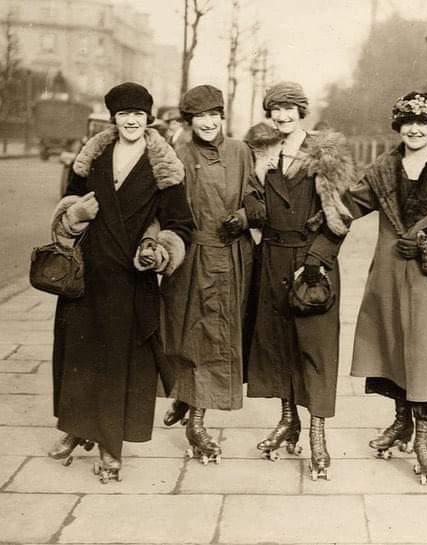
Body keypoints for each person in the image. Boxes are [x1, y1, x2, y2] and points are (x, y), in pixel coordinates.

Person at [48, 82, 193, 482]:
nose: (132, 121)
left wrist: (160, 251)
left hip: (131, 278)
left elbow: (181, 224)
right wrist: (74, 214)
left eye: (139, 115)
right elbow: (66, 207)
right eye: (125, 114)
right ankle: (76, 430)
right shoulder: (92, 157)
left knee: (118, 363)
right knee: (79, 356)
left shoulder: (164, 165)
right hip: (87, 274)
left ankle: (112, 447)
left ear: (149, 121)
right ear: (114, 117)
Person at [349, 92, 427, 485]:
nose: (415, 129)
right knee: (393, 352)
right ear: (398, 127)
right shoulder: (382, 169)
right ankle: (401, 423)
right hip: (389, 277)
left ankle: (423, 437)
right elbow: (349, 205)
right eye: (408, 122)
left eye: (423, 123)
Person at [244, 81, 355, 481]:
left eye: (290, 108)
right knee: (278, 345)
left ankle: (317, 435)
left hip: (312, 266)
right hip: (272, 260)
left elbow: (341, 216)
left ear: (301, 110)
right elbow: (249, 198)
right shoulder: (260, 154)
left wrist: (316, 262)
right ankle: (288, 421)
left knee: (316, 350)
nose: (282, 116)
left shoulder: (326, 154)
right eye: (275, 109)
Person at [158, 84, 255, 464]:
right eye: (200, 117)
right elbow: (165, 208)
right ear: (190, 121)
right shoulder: (178, 156)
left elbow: (256, 195)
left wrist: (246, 216)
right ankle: (194, 418)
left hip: (232, 258)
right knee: (192, 337)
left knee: (218, 339)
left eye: (215, 115)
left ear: (222, 118)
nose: (209, 123)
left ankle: (192, 408)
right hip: (192, 259)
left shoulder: (240, 152)